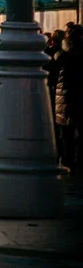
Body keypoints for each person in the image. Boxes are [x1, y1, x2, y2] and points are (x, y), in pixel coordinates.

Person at [56, 25, 81, 175]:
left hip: (63, 100)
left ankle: (68, 163)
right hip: (78, 97)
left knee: (66, 135)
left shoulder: (61, 56)